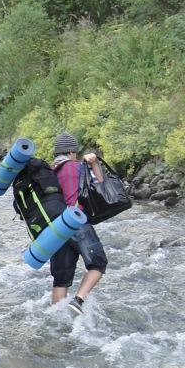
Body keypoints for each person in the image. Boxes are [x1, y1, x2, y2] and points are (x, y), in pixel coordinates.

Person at [49, 132, 108, 315]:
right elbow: (100, 182)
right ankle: (79, 299)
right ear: (72, 152)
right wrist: (94, 163)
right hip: (76, 222)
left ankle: (57, 317)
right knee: (98, 264)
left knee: (61, 279)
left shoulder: (50, 171)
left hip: (56, 228)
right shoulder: (76, 167)